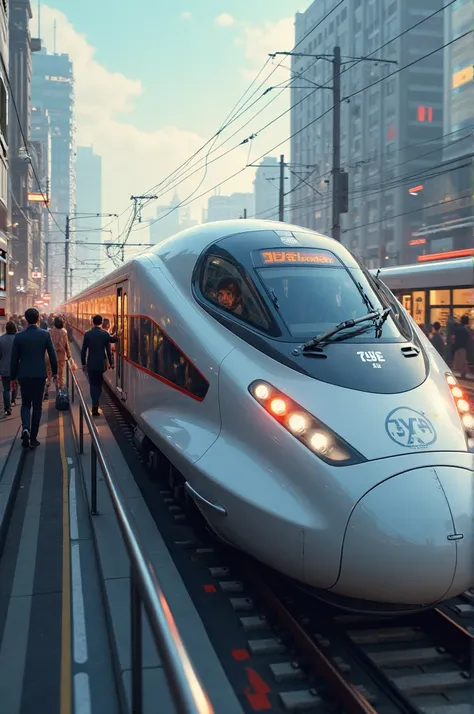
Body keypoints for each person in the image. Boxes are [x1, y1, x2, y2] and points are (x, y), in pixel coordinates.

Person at [10, 307, 58, 449]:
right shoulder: (45, 335)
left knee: (25, 403)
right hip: (39, 375)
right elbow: (52, 355)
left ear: (25, 319)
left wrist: (13, 377)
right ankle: (33, 439)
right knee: (37, 406)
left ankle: (25, 428)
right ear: (38, 319)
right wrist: (54, 373)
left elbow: (14, 359)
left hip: (23, 375)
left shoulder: (19, 336)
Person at [80, 314, 117, 416]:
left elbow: (83, 351)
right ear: (101, 323)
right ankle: (96, 404)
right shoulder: (104, 334)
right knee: (99, 384)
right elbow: (109, 350)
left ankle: (94, 405)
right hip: (101, 364)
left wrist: (83, 363)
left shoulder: (88, 334)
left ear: (93, 322)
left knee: (93, 384)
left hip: (91, 363)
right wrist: (111, 362)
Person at [0, 321, 18, 416]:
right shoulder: (18, 338)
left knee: (6, 389)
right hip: (17, 368)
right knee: (15, 384)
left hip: (4, 368)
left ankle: (7, 408)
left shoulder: (1, 339)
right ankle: (13, 400)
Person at [49, 316, 72, 388]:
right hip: (61, 354)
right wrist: (69, 354)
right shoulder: (64, 331)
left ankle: (48, 386)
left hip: (52, 354)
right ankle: (60, 387)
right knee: (60, 372)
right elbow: (66, 344)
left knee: (50, 371)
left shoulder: (51, 331)